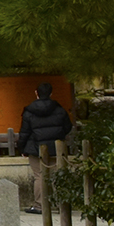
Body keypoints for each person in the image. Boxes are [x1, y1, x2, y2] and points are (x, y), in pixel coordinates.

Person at [18, 82, 73, 213]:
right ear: (51, 93)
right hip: (56, 147)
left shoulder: (29, 111)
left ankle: (39, 205)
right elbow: (68, 127)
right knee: (57, 176)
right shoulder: (59, 110)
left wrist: (22, 149)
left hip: (36, 148)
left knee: (39, 176)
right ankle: (62, 205)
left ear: (36, 93)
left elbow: (24, 132)